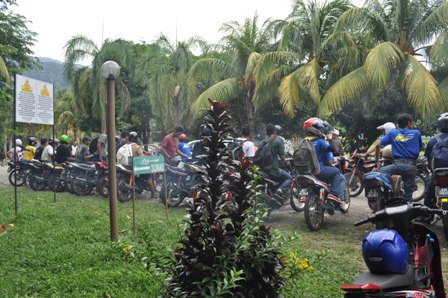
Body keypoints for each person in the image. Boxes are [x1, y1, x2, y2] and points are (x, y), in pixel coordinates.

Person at [303, 117, 348, 210]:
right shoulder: (320, 142)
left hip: (307, 171)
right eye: (320, 128)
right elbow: (331, 157)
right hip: (319, 170)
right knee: (336, 172)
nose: (322, 129)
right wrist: (330, 139)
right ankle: (334, 195)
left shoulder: (304, 142)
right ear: (316, 129)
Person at [378, 113, 423, 202]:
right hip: (411, 167)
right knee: (408, 195)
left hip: (397, 165)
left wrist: (376, 161)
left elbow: (378, 144)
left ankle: (388, 191)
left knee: (380, 172)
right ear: (409, 123)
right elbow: (420, 147)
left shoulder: (392, 133)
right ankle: (406, 207)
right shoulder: (416, 133)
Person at [423, 112, 448, 209]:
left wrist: (432, 171)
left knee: (429, 193)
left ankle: (428, 216)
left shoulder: (433, 140)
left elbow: (428, 158)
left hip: (438, 175)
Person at [263, 123, 292, 197]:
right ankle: (280, 190)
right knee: (289, 178)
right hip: (273, 169)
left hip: (262, 168)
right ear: (274, 131)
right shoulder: (277, 141)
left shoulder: (263, 140)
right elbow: (282, 157)